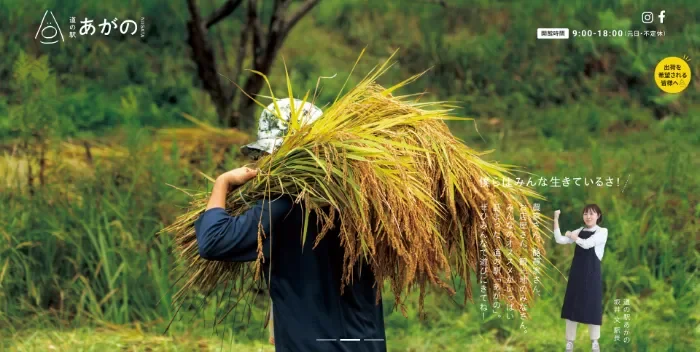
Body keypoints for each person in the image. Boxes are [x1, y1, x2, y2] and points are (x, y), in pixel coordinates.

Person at [194, 98, 387, 352]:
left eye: (266, 155)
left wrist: (223, 183)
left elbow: (213, 241)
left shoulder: (282, 204)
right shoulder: (363, 200)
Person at [553, 205, 608, 352]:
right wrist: (556, 219)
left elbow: (587, 244)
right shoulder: (579, 230)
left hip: (592, 274)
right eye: (585, 214)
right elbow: (559, 240)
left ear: (598, 215)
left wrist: (572, 236)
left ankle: (595, 342)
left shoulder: (602, 231)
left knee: (593, 306)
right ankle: (569, 342)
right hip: (577, 272)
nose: (588, 217)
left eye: (591, 214)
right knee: (572, 305)